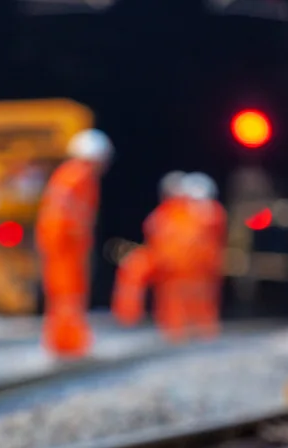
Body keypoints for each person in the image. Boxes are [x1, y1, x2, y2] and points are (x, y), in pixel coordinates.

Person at [112, 170, 226, 340]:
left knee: (194, 302)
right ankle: (132, 318)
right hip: (174, 266)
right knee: (174, 300)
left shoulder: (202, 213)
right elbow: (154, 233)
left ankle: (195, 331)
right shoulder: (171, 213)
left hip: (192, 268)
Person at [36, 128, 113, 357]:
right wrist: (72, 241)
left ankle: (65, 341)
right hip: (65, 247)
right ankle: (68, 343)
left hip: (63, 245)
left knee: (64, 294)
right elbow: (66, 216)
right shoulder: (77, 177)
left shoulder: (72, 175)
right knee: (68, 293)